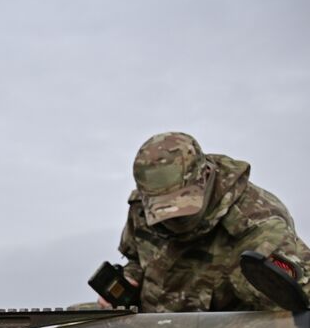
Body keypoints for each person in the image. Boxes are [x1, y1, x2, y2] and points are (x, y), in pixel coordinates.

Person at [109, 132, 310, 312]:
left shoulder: (258, 226)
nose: (174, 221)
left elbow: (295, 312)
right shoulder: (141, 208)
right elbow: (136, 258)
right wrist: (130, 279)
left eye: (182, 207)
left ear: (205, 176)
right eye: (163, 210)